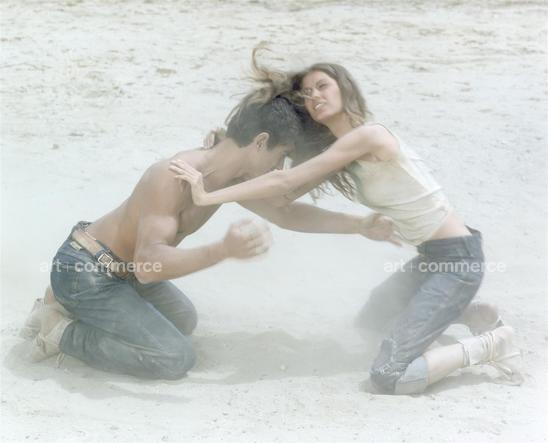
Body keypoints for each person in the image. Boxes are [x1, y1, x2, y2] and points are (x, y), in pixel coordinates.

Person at [168, 54, 522, 393]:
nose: (315, 97)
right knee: (370, 321)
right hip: (432, 259)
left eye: (323, 86)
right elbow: (281, 199)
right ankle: (472, 313)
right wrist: (229, 151)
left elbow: (283, 182)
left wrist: (208, 195)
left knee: (390, 375)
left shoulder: (369, 136)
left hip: (458, 261)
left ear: (345, 88)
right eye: (307, 94)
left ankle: (492, 345)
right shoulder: (341, 151)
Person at [21, 88, 398, 380]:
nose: (280, 169)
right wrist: (222, 250)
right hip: (88, 269)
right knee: (172, 357)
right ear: (260, 142)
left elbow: (285, 213)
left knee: (183, 320)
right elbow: (149, 267)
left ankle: (61, 303)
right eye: (280, 156)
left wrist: (358, 226)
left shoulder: (231, 178)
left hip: (125, 271)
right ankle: (60, 331)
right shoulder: (172, 175)